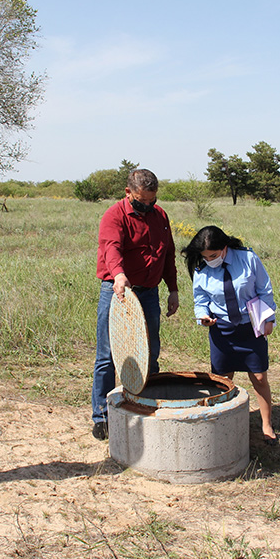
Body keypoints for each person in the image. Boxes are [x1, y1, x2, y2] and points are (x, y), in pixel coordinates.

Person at [91, 169, 180, 440]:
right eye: (142, 202)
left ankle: (145, 406)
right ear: (128, 193)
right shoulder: (114, 215)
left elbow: (168, 254)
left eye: (152, 201)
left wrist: (173, 289)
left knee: (149, 352)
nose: (147, 207)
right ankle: (102, 417)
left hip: (150, 293)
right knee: (108, 357)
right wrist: (118, 275)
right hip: (118, 291)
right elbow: (111, 249)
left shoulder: (160, 215)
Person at [181, 226, 279, 445]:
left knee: (260, 377)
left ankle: (267, 425)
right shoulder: (201, 271)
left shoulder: (248, 259)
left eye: (213, 256)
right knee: (223, 380)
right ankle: (222, 423)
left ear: (224, 248)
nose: (209, 260)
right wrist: (203, 317)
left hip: (250, 326)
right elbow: (200, 301)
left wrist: (268, 319)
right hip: (222, 330)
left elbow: (265, 289)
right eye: (205, 257)